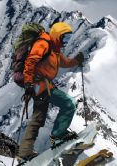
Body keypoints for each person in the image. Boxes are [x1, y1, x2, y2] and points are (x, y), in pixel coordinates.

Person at [17, 22, 84, 161]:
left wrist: (77, 60)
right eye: (64, 37)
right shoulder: (44, 43)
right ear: (57, 34)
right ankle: (58, 137)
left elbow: (64, 63)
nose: (66, 41)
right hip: (39, 85)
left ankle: (24, 153)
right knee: (68, 104)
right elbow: (30, 61)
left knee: (38, 118)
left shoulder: (55, 48)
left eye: (68, 38)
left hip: (42, 85)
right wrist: (29, 82)